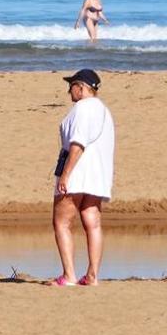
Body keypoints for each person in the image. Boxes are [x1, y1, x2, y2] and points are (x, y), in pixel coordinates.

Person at [49, 68, 115, 287]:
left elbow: (77, 145)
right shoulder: (104, 111)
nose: (69, 92)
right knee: (92, 222)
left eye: (71, 87)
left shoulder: (82, 109)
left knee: (61, 222)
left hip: (78, 173)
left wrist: (65, 176)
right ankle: (92, 275)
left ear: (80, 87)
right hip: (98, 175)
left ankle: (68, 275)